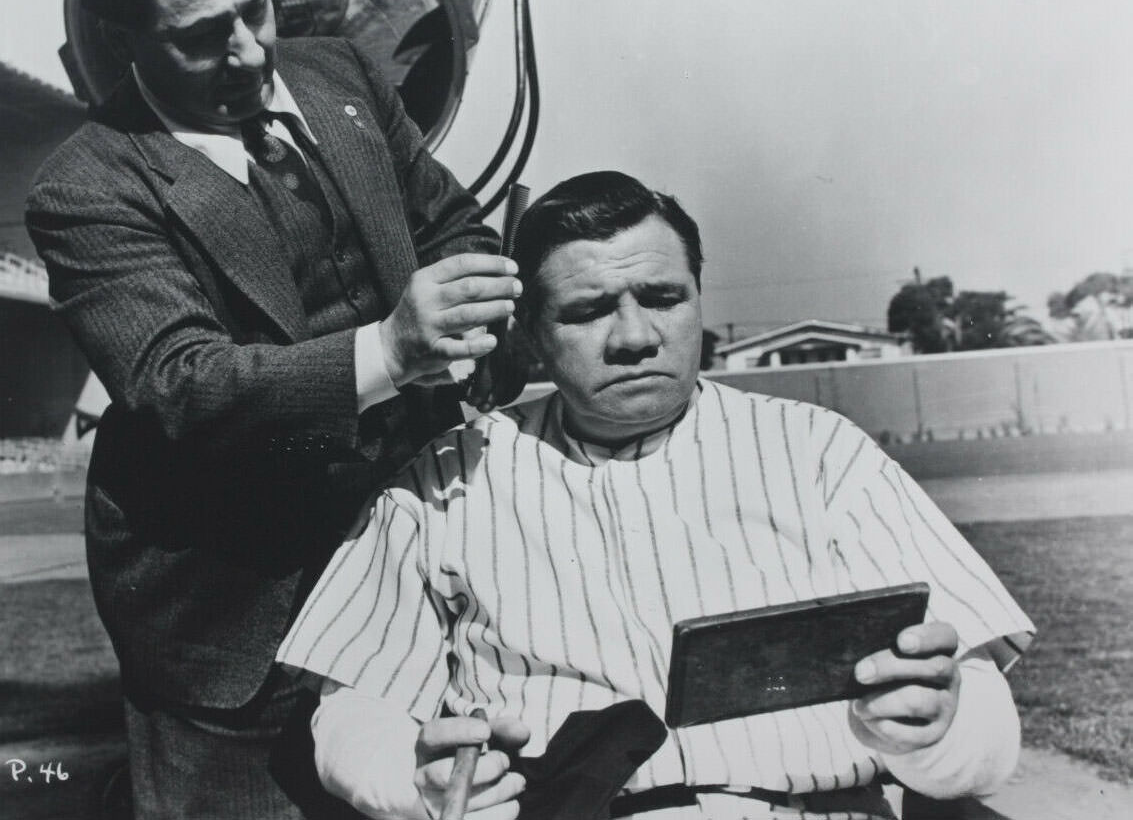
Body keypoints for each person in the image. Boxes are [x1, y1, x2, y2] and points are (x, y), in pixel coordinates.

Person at [278, 171, 1035, 820]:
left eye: (662, 296)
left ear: (699, 298)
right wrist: (408, 777)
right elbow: (352, 707)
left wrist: (938, 730)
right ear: (531, 336)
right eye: (587, 310)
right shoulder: (444, 478)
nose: (634, 335)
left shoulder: (819, 452)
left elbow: (976, 696)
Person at [25, 0, 519, 816]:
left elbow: (450, 225)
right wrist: (393, 350)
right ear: (122, 37)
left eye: (258, 7)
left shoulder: (344, 75)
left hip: (417, 582)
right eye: (203, 35)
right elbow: (180, 383)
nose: (251, 52)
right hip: (235, 621)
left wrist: (476, 322)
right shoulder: (86, 187)